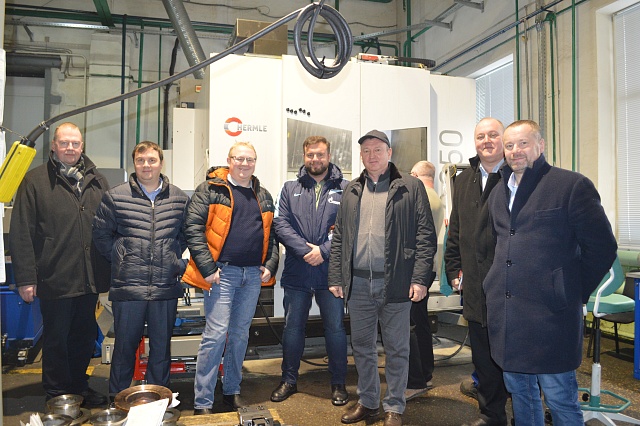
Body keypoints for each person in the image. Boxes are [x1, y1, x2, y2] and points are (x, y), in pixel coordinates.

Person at [484, 119, 617, 425]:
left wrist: (570, 290)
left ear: (540, 145)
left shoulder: (570, 186)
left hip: (551, 316)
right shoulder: (498, 192)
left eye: (524, 143)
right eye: (509, 145)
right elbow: (497, 245)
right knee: (521, 395)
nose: (516, 151)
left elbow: (602, 248)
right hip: (508, 315)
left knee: (560, 399)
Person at [328, 130, 437, 426]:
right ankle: (368, 402)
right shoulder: (352, 189)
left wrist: (420, 278)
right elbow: (340, 239)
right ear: (361, 156)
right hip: (359, 284)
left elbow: (425, 235)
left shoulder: (410, 187)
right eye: (366, 151)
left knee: (397, 348)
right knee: (362, 347)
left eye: (378, 149)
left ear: (389, 153)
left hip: (396, 282)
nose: (372, 155)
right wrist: (337, 276)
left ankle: (395, 406)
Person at [9, 122, 110, 406]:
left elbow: (108, 227)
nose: (69, 148)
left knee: (83, 337)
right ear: (53, 146)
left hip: (89, 276)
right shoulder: (35, 181)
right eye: (64, 143)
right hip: (55, 276)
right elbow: (21, 232)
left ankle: (79, 388)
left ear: (82, 146)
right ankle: (57, 395)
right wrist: (26, 278)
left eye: (75, 143)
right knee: (56, 340)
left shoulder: (97, 181)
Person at [182, 142, 279, 415]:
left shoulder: (263, 194)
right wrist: (207, 268)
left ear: (255, 162)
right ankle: (203, 402)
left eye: (250, 159)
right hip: (222, 274)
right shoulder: (211, 189)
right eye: (239, 158)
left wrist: (270, 265)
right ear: (229, 160)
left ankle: (231, 391)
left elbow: (271, 235)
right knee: (215, 335)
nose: (244, 164)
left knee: (239, 335)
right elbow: (193, 228)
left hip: (252, 275)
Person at [92, 141, 189, 397]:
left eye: (152, 160)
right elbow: (101, 234)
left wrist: (172, 261)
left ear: (161, 163)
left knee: (161, 349)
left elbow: (184, 236)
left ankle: (158, 401)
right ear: (134, 163)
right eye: (141, 160)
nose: (146, 165)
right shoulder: (116, 196)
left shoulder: (179, 198)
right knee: (124, 348)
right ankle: (118, 401)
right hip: (128, 287)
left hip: (164, 287)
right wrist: (122, 259)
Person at [270, 136, 349, 406]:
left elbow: (348, 227)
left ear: (329, 156)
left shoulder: (346, 189)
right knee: (293, 328)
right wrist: (306, 251)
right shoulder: (289, 188)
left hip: (332, 272)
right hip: (297, 269)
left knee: (335, 329)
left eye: (320, 154)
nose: (315, 159)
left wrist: (323, 251)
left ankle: (338, 383)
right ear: (304, 157)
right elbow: (280, 224)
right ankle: (289, 380)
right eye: (310, 155)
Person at [444, 117, 509, 426]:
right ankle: (491, 415)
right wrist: (453, 269)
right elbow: (455, 230)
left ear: (503, 139)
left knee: (512, 356)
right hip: (474, 285)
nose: (487, 141)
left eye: (493, 135)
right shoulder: (464, 180)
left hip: (508, 286)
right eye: (481, 136)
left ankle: (525, 414)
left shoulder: (516, 176)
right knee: (482, 356)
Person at [404, 161, 444, 401]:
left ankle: (417, 377)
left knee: (413, 324)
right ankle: (425, 372)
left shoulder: (422, 197)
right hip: (428, 268)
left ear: (415, 175)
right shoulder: (436, 198)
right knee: (421, 322)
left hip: (417, 269)